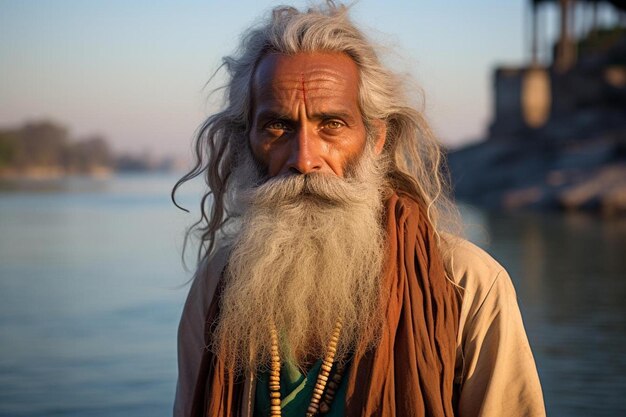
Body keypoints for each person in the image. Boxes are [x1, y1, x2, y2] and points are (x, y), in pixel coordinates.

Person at [173, 3, 545, 416]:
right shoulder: (218, 284)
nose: (304, 158)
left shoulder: (468, 284)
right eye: (277, 126)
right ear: (248, 141)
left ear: (377, 139)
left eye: (331, 125)